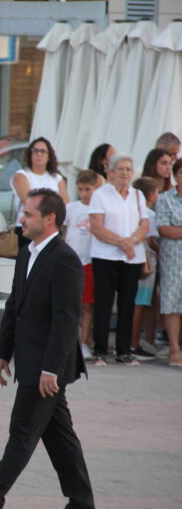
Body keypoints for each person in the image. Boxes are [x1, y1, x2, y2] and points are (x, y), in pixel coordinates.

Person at [0, 188, 94, 509]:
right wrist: (2, 352)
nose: (21, 219)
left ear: (50, 219)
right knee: (59, 436)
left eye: (29, 214)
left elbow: (65, 321)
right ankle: (82, 501)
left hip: (45, 365)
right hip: (30, 359)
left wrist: (51, 369)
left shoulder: (65, 260)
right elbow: (15, 304)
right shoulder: (28, 252)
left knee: (22, 433)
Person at [88, 153, 149, 366]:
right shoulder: (100, 194)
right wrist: (122, 243)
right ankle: (100, 350)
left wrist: (131, 241)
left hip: (131, 258)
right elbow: (96, 226)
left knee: (127, 304)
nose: (125, 173)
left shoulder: (137, 195)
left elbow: (144, 224)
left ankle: (124, 350)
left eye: (128, 169)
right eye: (121, 169)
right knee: (104, 303)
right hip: (105, 256)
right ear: (110, 172)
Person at [64, 170, 100, 361]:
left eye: (88, 189)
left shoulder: (99, 210)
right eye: (80, 189)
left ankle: (83, 343)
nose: (84, 193)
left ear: (96, 188)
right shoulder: (71, 208)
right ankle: (68, 340)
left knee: (87, 305)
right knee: (69, 303)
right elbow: (62, 229)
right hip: (72, 262)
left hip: (90, 261)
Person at [12, 137, 68, 250]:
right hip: (27, 228)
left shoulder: (57, 178)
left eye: (42, 151)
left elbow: (65, 203)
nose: (39, 154)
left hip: (50, 228)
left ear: (49, 156)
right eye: (35, 151)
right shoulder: (22, 175)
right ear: (30, 154)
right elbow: (28, 201)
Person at [130, 177, 160, 361]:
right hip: (147, 264)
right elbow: (151, 241)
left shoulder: (132, 211)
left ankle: (131, 342)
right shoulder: (149, 214)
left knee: (135, 303)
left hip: (133, 261)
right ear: (150, 195)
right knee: (140, 304)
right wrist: (162, 250)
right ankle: (133, 344)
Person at [156, 161, 182, 367]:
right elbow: (164, 229)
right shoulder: (165, 199)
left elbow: (173, 229)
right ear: (175, 175)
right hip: (173, 260)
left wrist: (178, 229)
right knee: (171, 304)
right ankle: (174, 349)